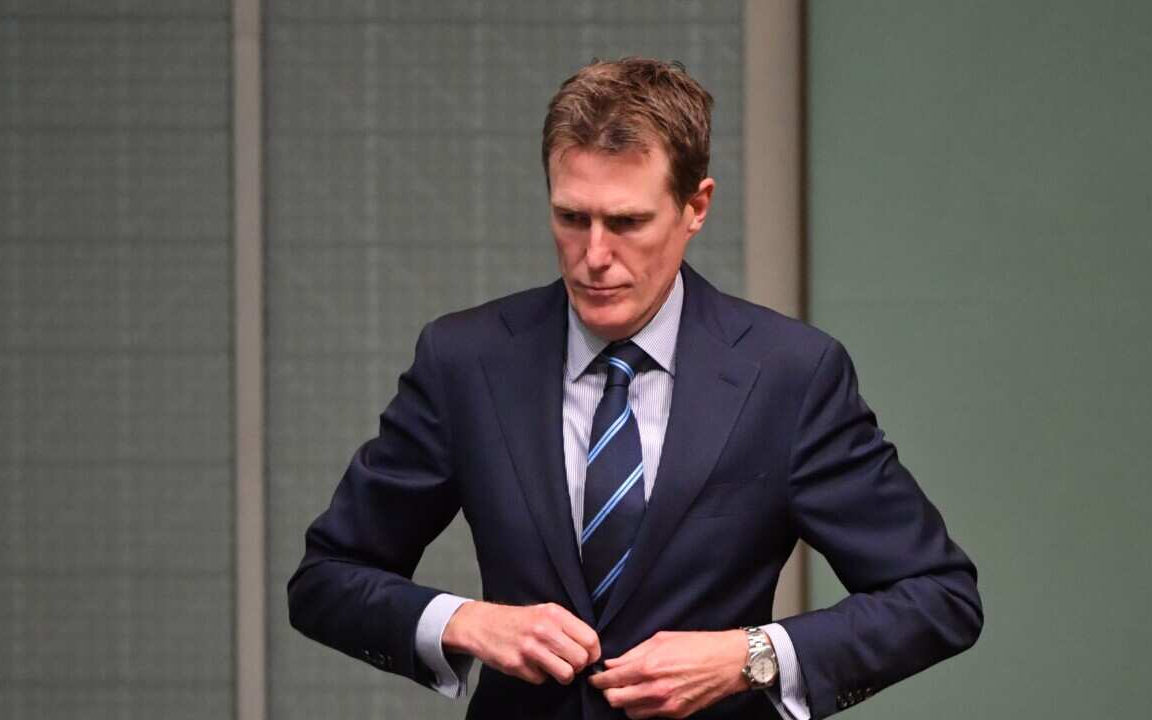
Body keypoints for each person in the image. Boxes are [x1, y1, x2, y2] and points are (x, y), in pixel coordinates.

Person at [287, 57, 982, 720]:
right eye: (571, 218)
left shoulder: (790, 376)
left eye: (626, 222)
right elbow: (326, 581)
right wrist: (465, 621)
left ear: (695, 206)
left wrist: (751, 657)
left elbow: (937, 595)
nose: (594, 256)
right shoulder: (464, 362)